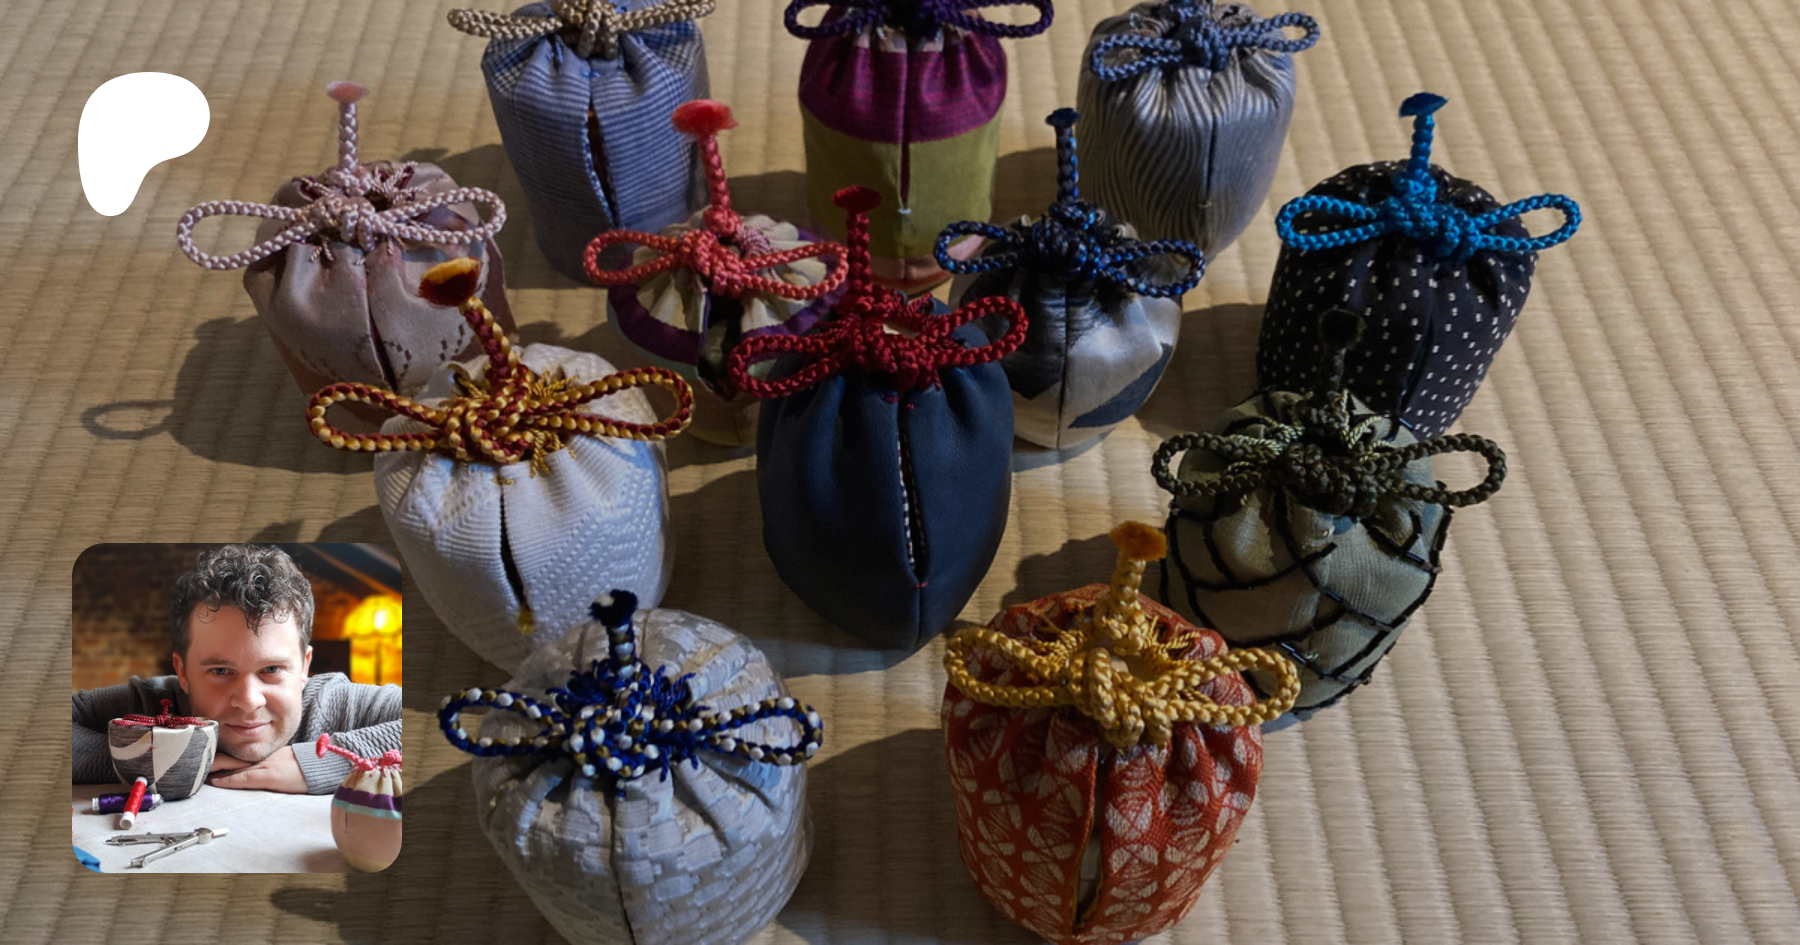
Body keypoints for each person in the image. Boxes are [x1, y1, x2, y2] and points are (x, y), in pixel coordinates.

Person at [72, 544, 402, 796]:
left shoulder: (334, 704)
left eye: (271, 668)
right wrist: (165, 758)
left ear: (304, 666)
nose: (248, 701)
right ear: (183, 672)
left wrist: (315, 763)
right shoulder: (155, 705)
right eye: (220, 671)